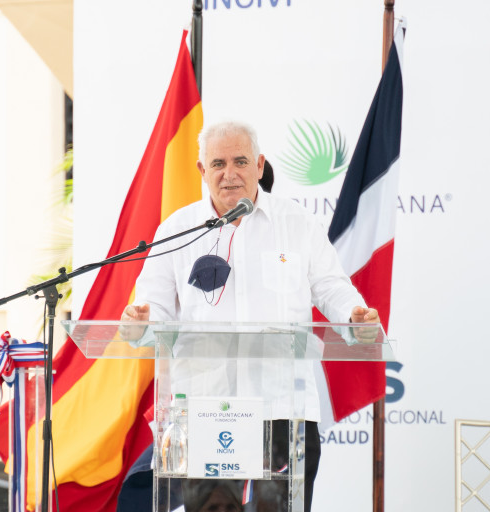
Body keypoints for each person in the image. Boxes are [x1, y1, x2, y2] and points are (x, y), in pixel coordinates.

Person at [121, 120, 379, 512]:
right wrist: (141, 321)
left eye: (240, 161)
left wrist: (354, 315)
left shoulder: (297, 224)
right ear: (202, 170)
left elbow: (332, 287)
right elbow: (153, 309)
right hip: (205, 410)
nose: (230, 173)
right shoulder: (178, 230)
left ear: (259, 165)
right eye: (218, 163)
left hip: (282, 410)